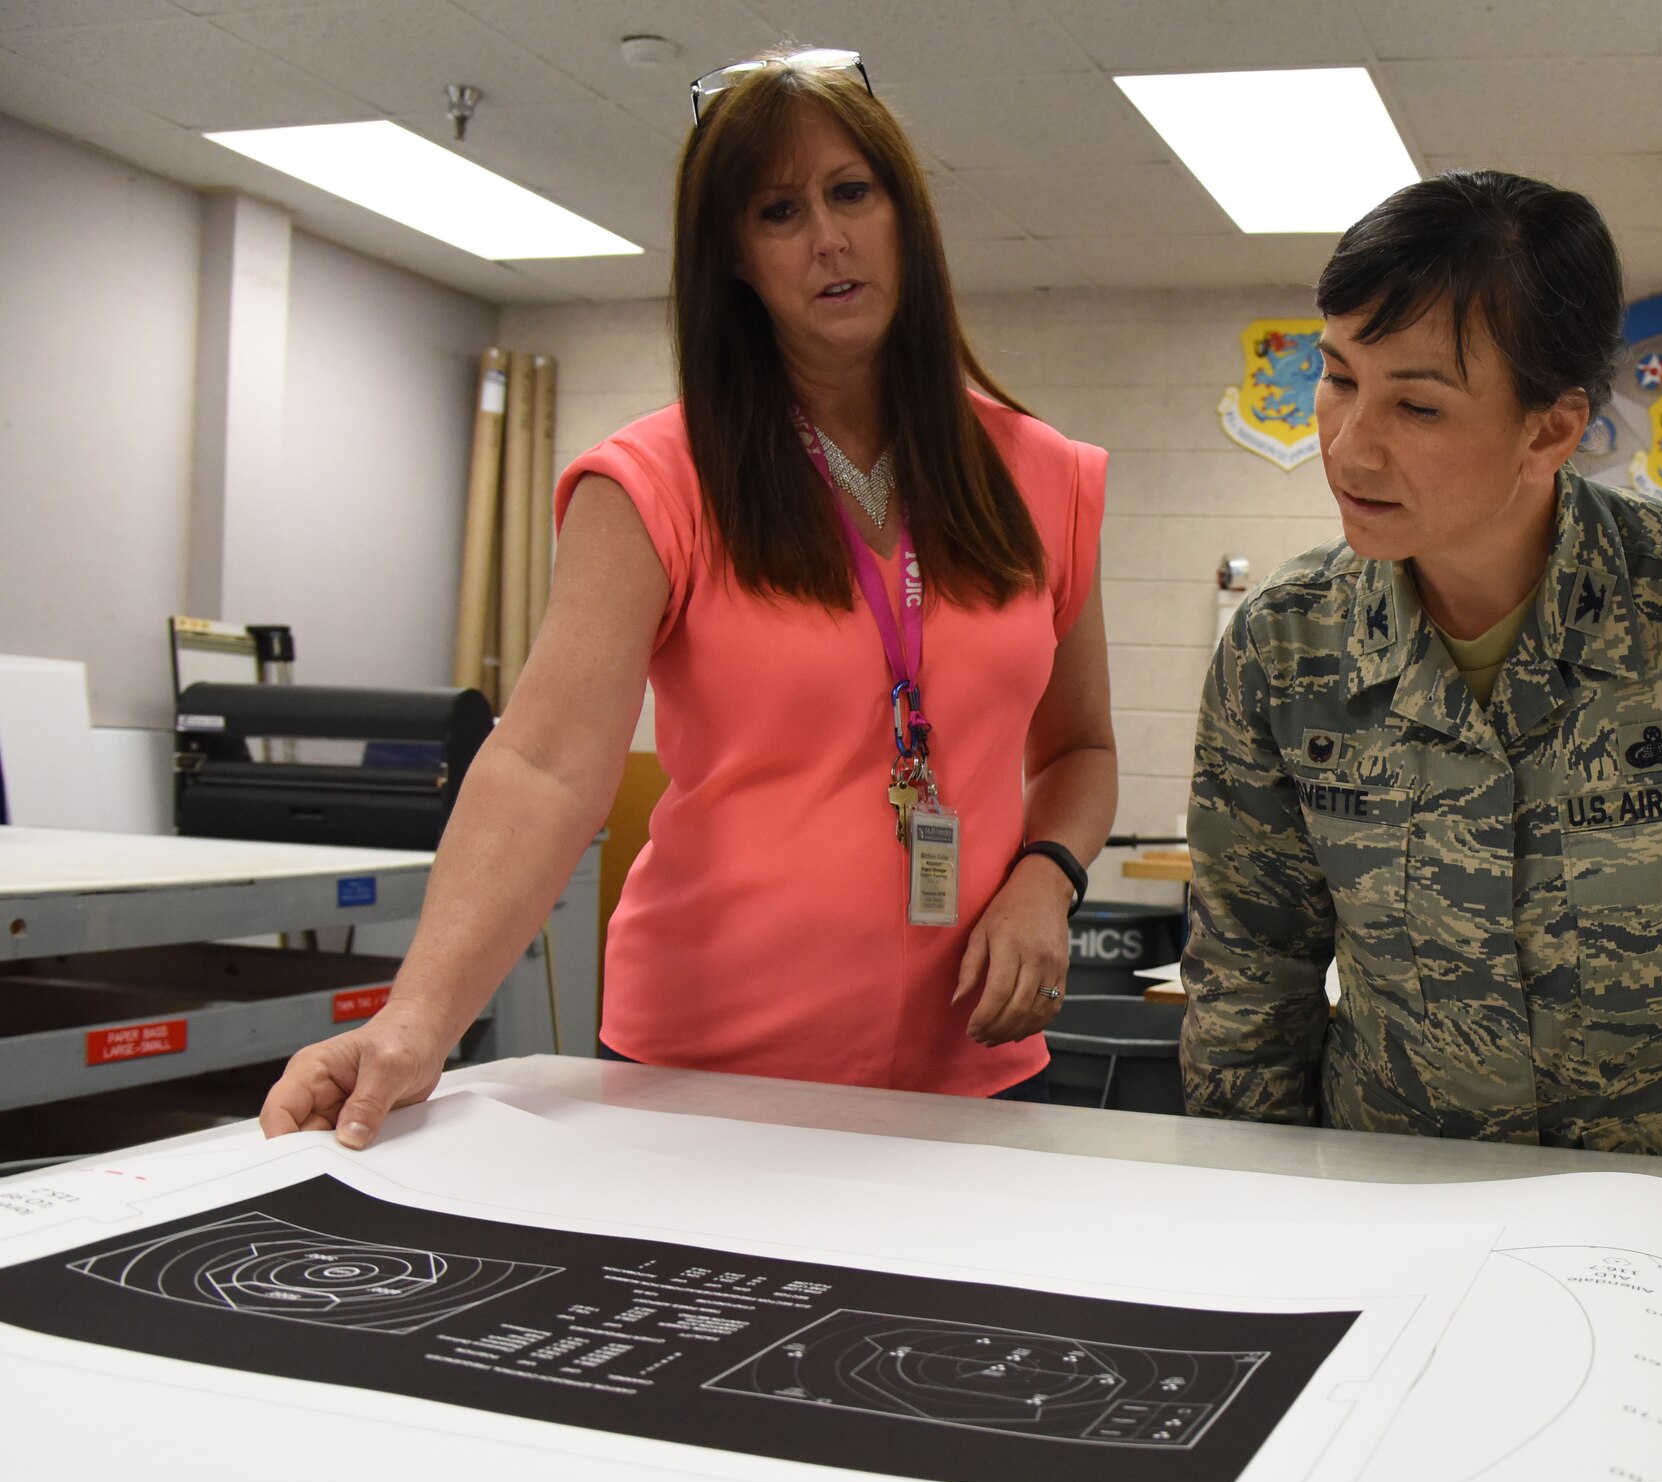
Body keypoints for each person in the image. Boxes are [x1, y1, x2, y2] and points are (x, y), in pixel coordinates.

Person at [261, 48, 1115, 1148]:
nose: (828, 238)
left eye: (852, 192)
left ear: (906, 214)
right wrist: (418, 1017)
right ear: (735, 261)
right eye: (777, 211)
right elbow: (545, 766)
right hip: (703, 1078)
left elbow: (1080, 751)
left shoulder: (1044, 476)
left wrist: (1044, 880)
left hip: (974, 1070)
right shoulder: (656, 483)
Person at [1179, 170, 1662, 1171]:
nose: (1347, 445)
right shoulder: (1283, 648)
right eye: (1336, 376)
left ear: (1549, 429)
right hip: (1395, 1207)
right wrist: (1250, 1216)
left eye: (1415, 407)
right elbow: (1250, 975)